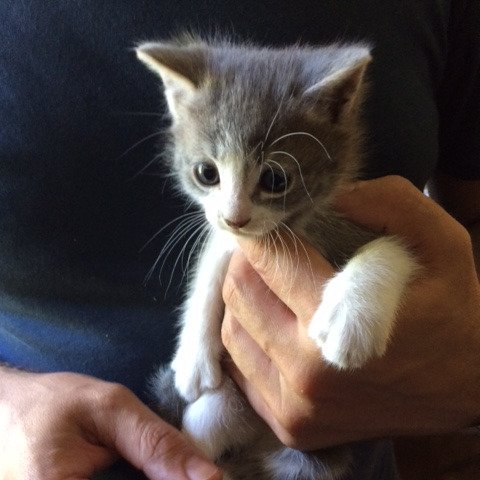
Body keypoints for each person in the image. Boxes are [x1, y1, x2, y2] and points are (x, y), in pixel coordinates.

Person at [0, 1, 478, 479]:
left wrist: (468, 373)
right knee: (208, 420)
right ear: (175, 99)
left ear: (337, 107)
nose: (233, 214)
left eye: (273, 180)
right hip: (120, 440)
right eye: (207, 174)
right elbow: (222, 252)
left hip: (331, 451)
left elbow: (461, 226)